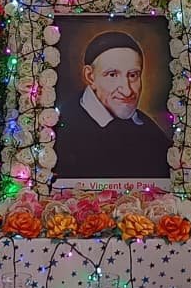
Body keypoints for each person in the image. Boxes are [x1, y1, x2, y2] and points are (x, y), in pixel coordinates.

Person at [54, 31, 171, 179]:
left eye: (133, 75)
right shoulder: (60, 129)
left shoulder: (149, 130)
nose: (127, 91)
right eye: (112, 75)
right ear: (90, 76)